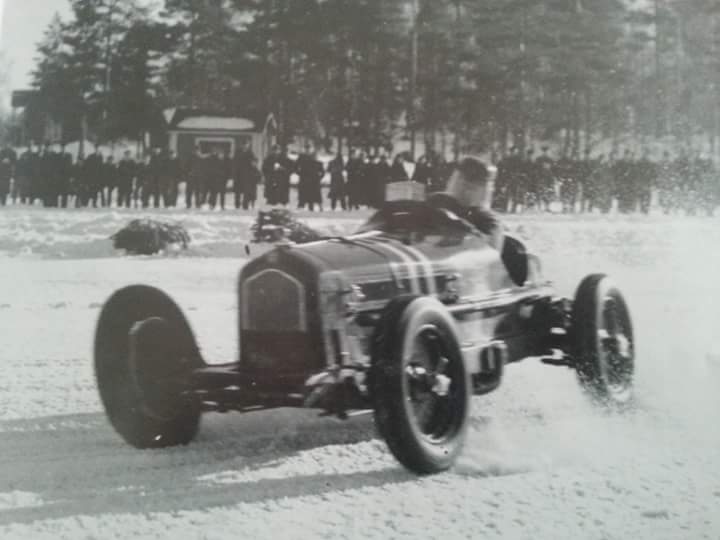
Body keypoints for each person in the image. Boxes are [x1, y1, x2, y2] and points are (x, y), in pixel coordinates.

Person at [427, 157, 504, 250]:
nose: (462, 186)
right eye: (457, 178)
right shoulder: (436, 200)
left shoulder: (487, 220)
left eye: (472, 185)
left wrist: (461, 226)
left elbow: (490, 253)